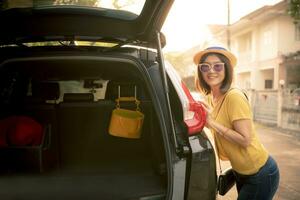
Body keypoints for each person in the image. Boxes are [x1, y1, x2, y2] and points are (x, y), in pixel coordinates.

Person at [193, 46, 280, 200]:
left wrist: (211, 122)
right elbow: (215, 123)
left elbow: (245, 140)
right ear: (200, 71)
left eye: (218, 65)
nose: (211, 70)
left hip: (260, 173)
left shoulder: (234, 97)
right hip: (240, 172)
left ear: (227, 69)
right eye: (205, 66)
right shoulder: (210, 98)